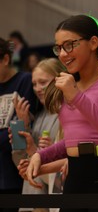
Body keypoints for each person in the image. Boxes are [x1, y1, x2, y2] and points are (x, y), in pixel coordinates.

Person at [25, 14, 98, 212]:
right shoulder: (67, 84)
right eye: (58, 48)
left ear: (93, 42)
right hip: (75, 176)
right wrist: (41, 156)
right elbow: (74, 138)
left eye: (69, 45)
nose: (62, 54)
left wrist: (76, 96)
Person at [10, 58, 66, 212]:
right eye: (34, 84)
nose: (38, 88)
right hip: (31, 193)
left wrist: (41, 152)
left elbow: (62, 169)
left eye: (43, 82)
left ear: (58, 80)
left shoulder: (66, 114)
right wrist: (22, 128)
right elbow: (21, 162)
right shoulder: (40, 115)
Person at [0, 37, 37, 212]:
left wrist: (14, 132)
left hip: (15, 173)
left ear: (6, 59)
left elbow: (18, 131)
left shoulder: (25, 81)